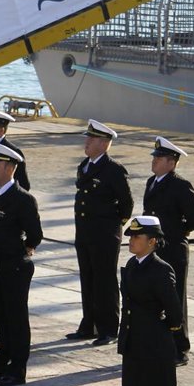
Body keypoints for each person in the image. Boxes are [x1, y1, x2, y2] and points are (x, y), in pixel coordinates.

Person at [111, 216, 182, 386]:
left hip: (155, 345)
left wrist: (158, 330)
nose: (131, 240)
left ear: (152, 241)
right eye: (130, 236)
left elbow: (174, 313)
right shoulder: (132, 265)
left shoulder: (161, 269)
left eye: (137, 237)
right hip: (134, 344)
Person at [67, 120, 133, 346]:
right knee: (87, 278)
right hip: (84, 233)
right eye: (87, 138)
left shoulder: (114, 169)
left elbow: (126, 204)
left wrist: (113, 226)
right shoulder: (84, 166)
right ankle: (89, 324)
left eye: (92, 139)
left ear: (104, 144)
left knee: (105, 281)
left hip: (104, 235)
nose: (86, 142)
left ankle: (108, 328)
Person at [0, 141, 43, 386]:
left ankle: (18, 368)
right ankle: (3, 359)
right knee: (1, 316)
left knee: (16, 319)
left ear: (9, 168)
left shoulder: (22, 199)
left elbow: (35, 234)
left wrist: (23, 250)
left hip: (14, 267)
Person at [141, 136, 194, 365]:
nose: (154, 161)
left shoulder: (180, 185)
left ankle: (180, 348)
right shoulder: (152, 182)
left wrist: (175, 233)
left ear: (171, 162)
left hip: (173, 250)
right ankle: (157, 343)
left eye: (159, 158)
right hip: (154, 249)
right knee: (153, 297)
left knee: (175, 299)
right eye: (154, 157)